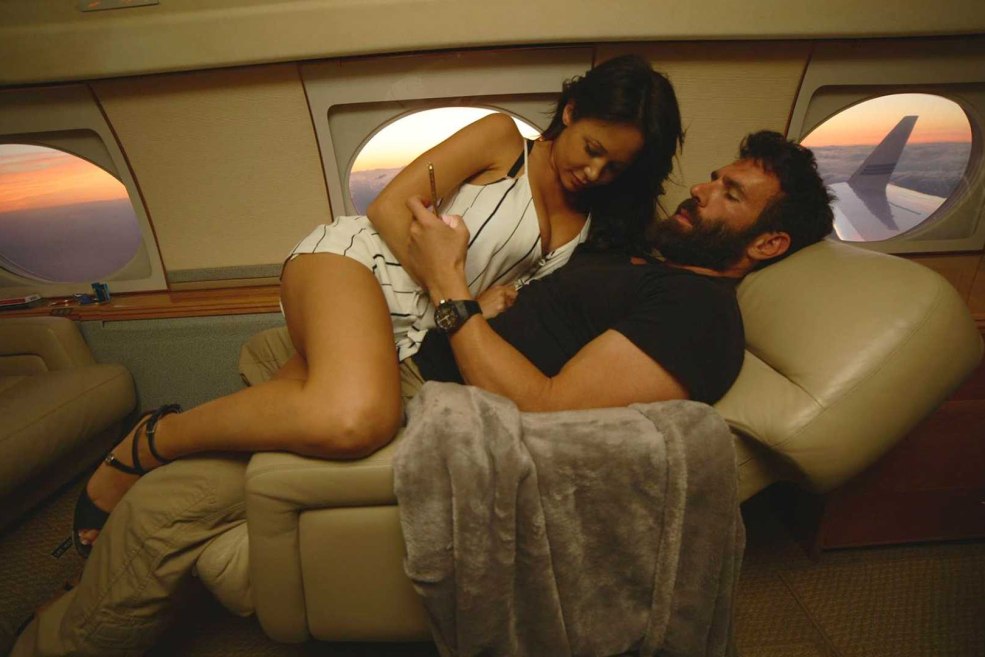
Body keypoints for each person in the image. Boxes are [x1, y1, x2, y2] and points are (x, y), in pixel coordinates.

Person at [13, 130, 833, 657]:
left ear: (767, 242)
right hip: (418, 356)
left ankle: (61, 634)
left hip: (421, 398)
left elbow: (547, 407)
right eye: (714, 177)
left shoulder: (696, 313)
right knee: (269, 350)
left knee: (162, 506)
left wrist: (450, 287)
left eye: (730, 194)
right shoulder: (651, 266)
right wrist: (501, 302)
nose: (700, 191)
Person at [72, 53, 685, 555]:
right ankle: (152, 437)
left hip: (418, 333)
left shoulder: (594, 224)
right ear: (570, 112)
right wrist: (456, 294)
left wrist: (481, 307)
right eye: (591, 147)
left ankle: (133, 532)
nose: (594, 172)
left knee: (261, 444)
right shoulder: (503, 139)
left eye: (614, 166)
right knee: (358, 420)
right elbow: (390, 208)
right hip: (355, 266)